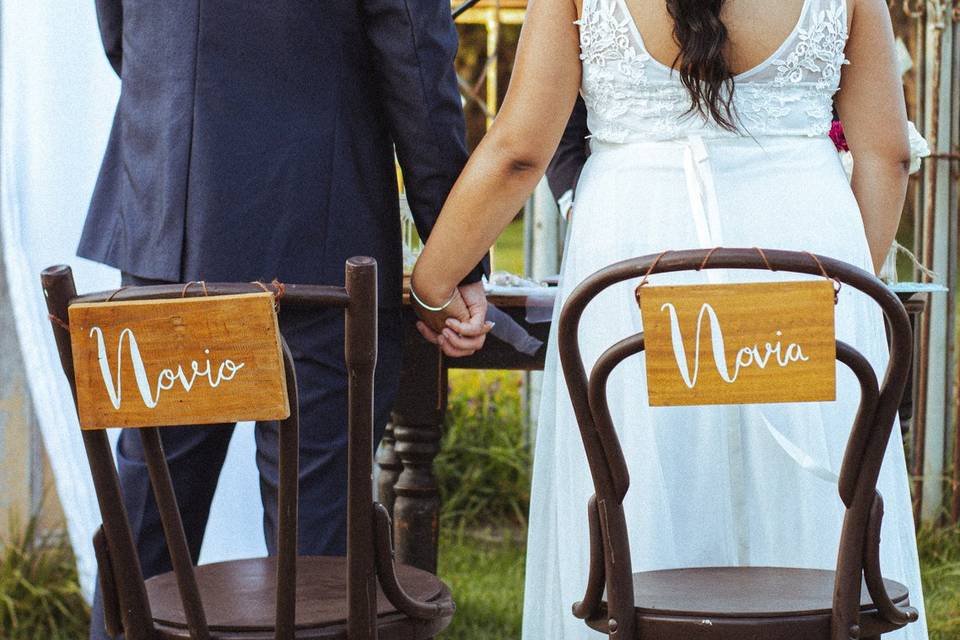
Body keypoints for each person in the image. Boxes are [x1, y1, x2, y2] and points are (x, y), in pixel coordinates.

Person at [410, 0, 928, 638]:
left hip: (634, 258)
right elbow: (887, 156)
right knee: (810, 513)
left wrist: (435, 281)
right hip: (804, 256)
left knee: (643, 496)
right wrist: (838, 300)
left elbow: (521, 151)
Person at [79, 2, 489, 638]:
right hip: (315, 231)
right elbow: (411, 57)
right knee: (315, 549)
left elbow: (119, 35)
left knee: (147, 524)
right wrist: (456, 256)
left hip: (170, 216)